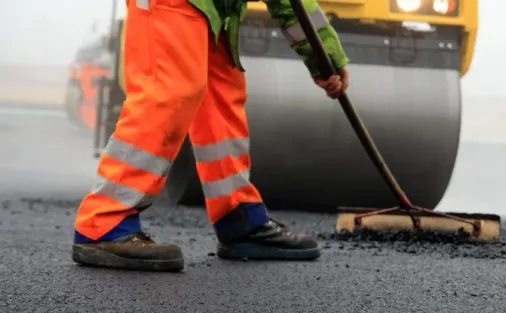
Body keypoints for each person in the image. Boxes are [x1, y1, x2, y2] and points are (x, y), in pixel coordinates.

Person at [71, 0, 350, 272]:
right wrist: (322, 57)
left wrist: (324, 56)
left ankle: (237, 216)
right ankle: (105, 220)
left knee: (222, 98)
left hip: (217, 8)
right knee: (168, 93)